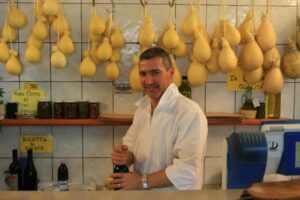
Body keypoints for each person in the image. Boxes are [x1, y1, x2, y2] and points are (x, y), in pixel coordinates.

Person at [109, 47, 208, 190]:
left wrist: (139, 182)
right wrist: (125, 156)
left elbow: (187, 171)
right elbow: (130, 145)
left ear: (171, 72)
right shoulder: (142, 110)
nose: (149, 81)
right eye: (143, 74)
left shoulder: (190, 113)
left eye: (156, 73)